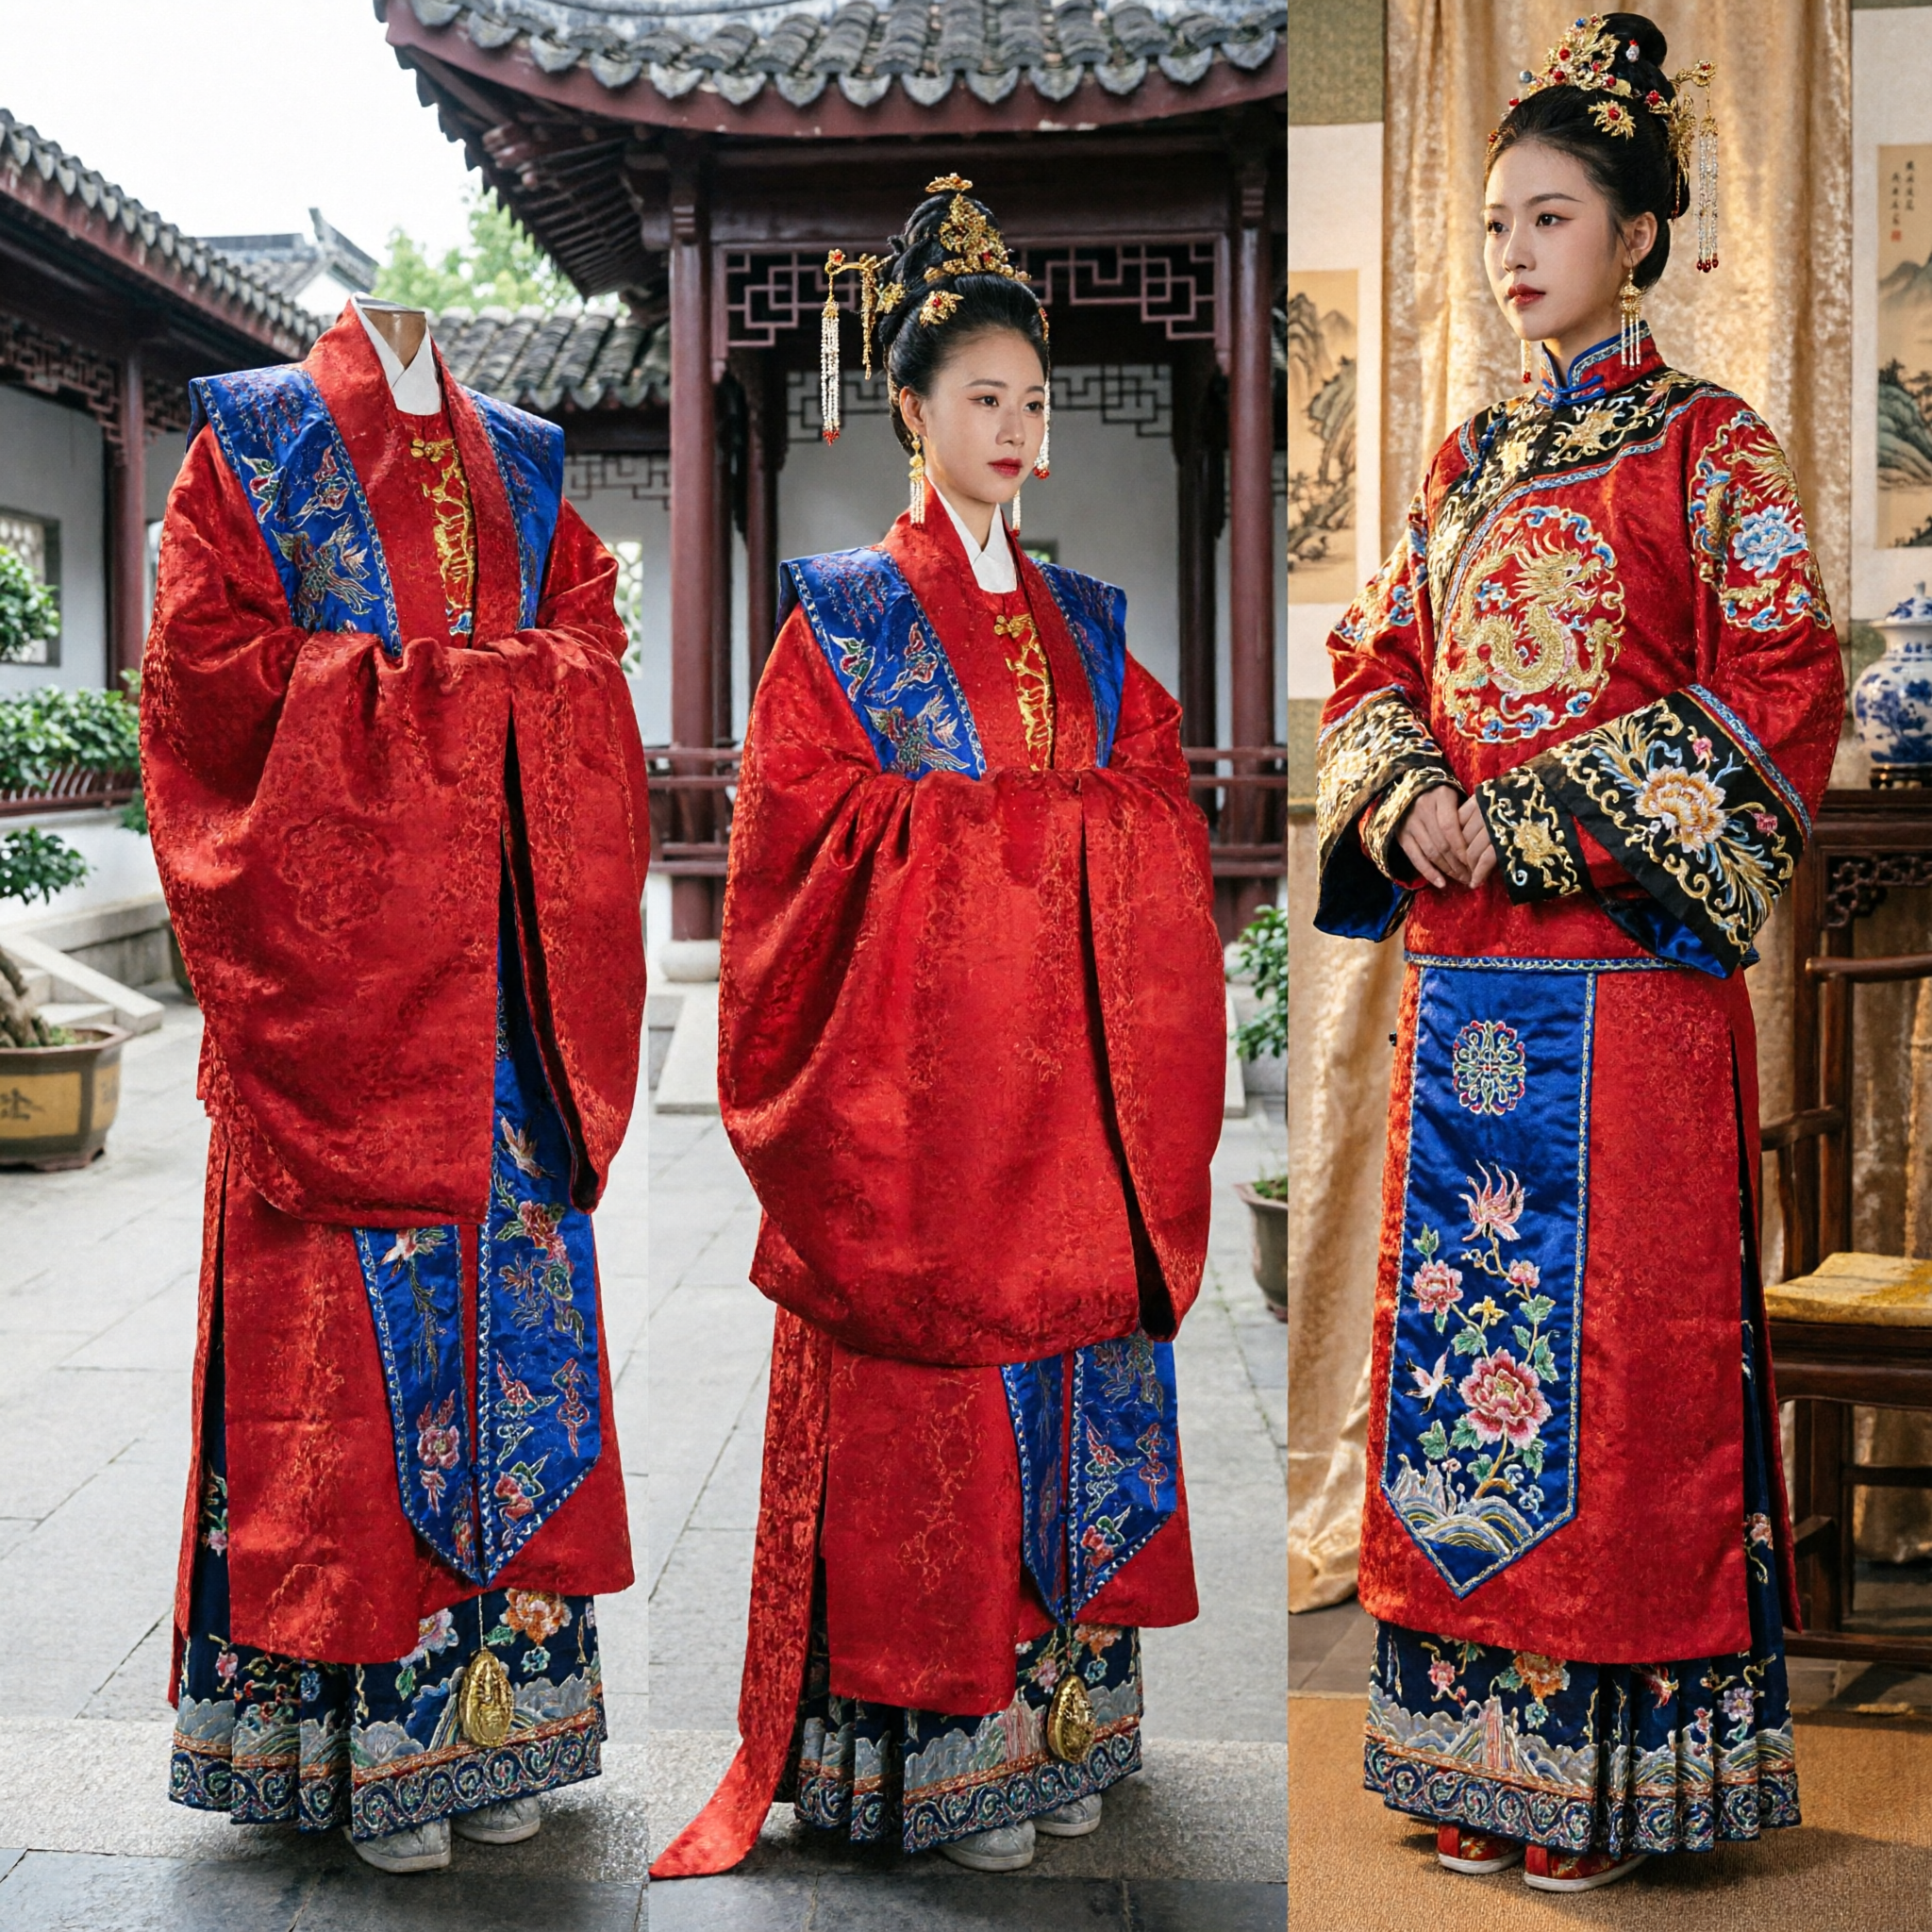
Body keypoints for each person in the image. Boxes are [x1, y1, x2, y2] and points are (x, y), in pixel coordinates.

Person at [1313, 12, 1844, 1896]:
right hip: (1467, 1002)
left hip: (1626, 1006)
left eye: (1549, 216)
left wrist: (1523, 811)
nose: (1512, 253)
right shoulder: (1463, 467)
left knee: (1617, 1387)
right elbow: (1374, 666)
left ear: (1636, 235)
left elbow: (1784, 685)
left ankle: (1621, 1785)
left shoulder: (1719, 454)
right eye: (1492, 226)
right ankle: (1476, 1762)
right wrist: (1406, 796)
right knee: (1469, 1367)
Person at [650, 177, 1226, 1879]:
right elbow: (795, 850)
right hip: (930, 1114)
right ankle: (932, 1746)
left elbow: (1155, 819)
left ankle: (1063, 1720)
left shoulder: (1095, 628)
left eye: (1035, 401)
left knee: (1067, 1382)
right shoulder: (840, 619)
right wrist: (1015, 845)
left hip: (1077, 1099)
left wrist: (1027, 838)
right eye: (984, 397)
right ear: (909, 409)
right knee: (944, 1399)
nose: (1016, 428)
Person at [143, 295, 649, 1873]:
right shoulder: (252, 444)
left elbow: (589, 658)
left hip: (500, 996)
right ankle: (356, 1745)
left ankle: (505, 1725)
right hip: (339, 995)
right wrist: (445, 700)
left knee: (513, 1345)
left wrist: (474, 694)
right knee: (347, 1370)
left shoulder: (532, 462)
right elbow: (203, 678)